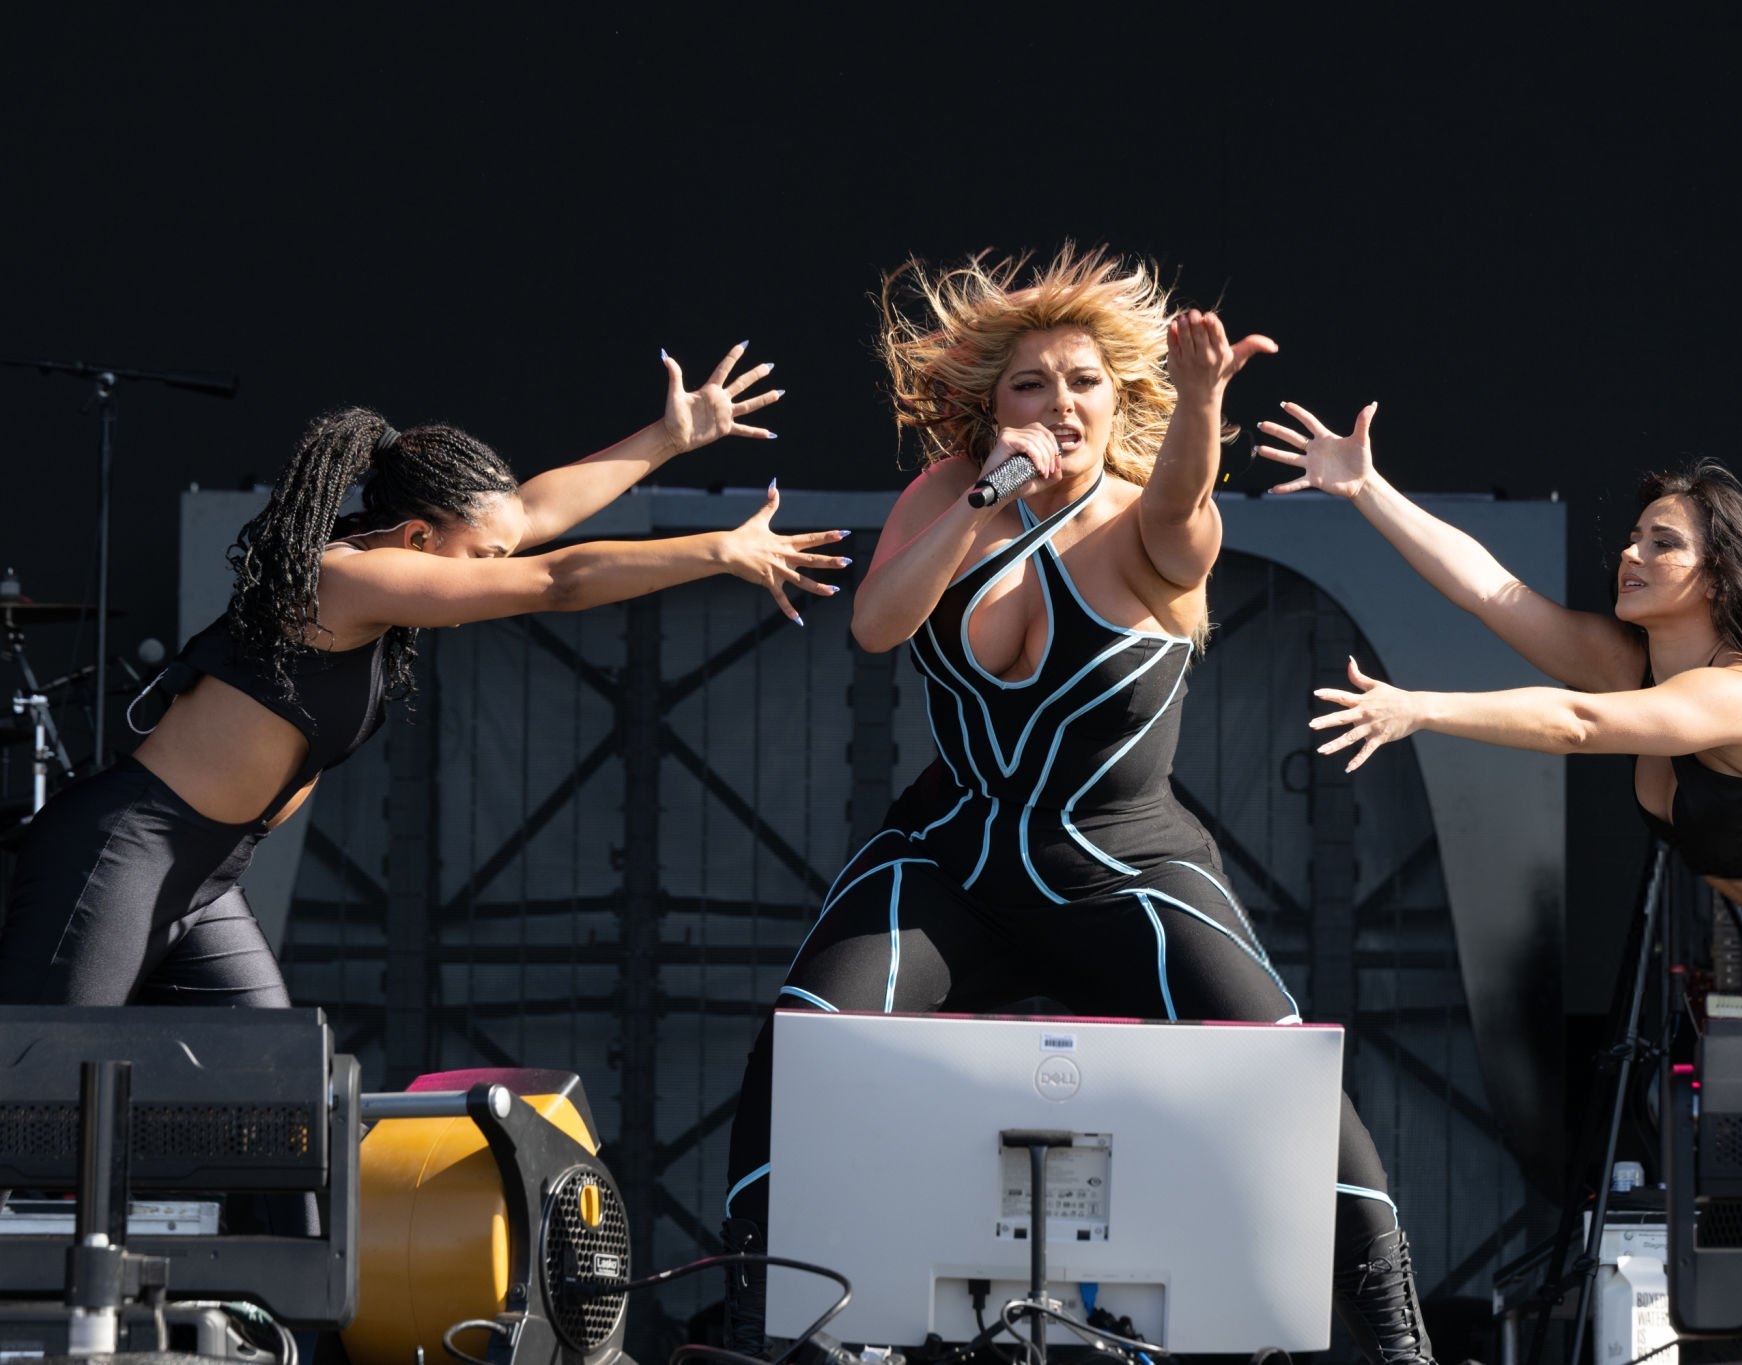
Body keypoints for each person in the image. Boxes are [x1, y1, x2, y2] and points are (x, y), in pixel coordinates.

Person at [721, 247, 1440, 1365]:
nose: (1059, 404)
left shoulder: (1148, 522)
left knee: (1284, 1070)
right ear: (991, 407)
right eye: (1031, 384)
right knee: (803, 1044)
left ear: (1119, 401)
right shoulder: (950, 493)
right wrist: (984, 497)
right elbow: (875, 625)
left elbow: (1187, 508)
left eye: (1083, 382)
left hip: (1123, 867)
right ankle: (754, 1330)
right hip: (948, 858)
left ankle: (1399, 1345)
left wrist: (1200, 401)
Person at [0, 343, 850, 1007]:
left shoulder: (402, 558)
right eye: (483, 557)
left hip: (209, 873)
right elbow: (556, 580)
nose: (495, 570)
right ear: (416, 538)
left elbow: (534, 513)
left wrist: (668, 437)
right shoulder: (346, 578)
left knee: (274, 1115)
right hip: (123, 853)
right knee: (36, 1100)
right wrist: (719, 549)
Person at [1256, 402, 1742, 1022]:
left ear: (1721, 576)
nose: (1631, 554)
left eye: (1662, 543)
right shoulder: (1626, 664)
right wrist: (1368, 489)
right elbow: (1491, 590)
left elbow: (1581, 724)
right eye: (1633, 538)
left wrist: (1420, 707)